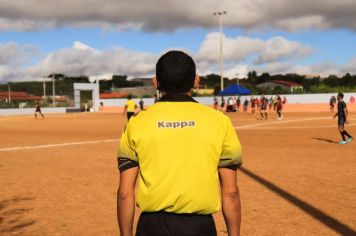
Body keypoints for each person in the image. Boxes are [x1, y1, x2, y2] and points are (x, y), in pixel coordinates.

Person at [117, 51, 243, 236]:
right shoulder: (219, 122)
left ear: (155, 82)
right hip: (200, 228)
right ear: (196, 81)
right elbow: (231, 193)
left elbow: (125, 193)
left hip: (151, 227)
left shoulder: (136, 123)